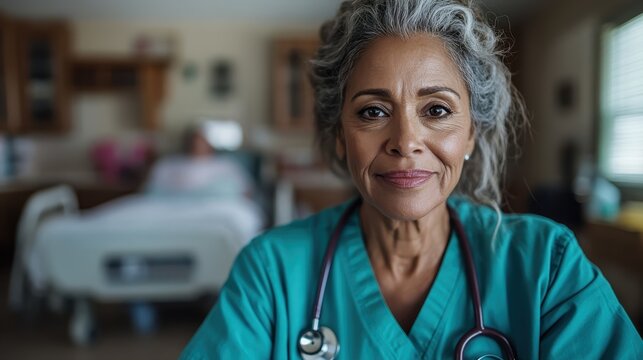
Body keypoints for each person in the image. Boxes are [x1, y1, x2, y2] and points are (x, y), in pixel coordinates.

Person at [180, 1, 642, 359]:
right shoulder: (272, 272)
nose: (406, 141)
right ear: (340, 138)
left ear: (469, 135)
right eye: (373, 112)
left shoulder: (547, 266)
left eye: (436, 110)